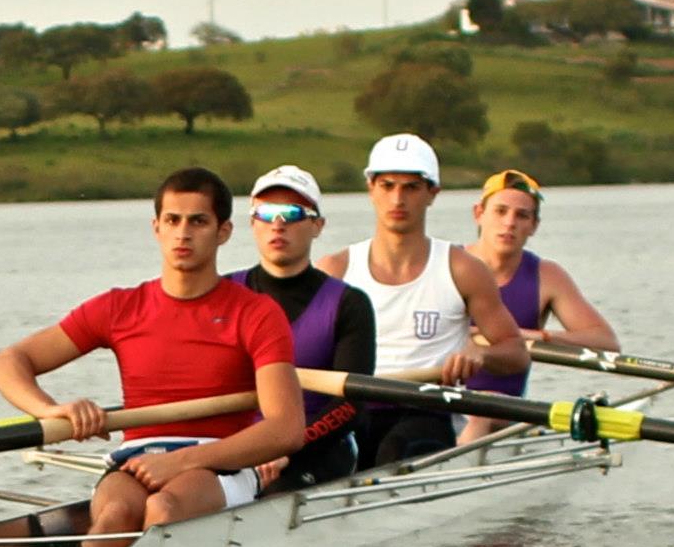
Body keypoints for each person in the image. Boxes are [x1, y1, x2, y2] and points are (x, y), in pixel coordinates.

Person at [0, 166, 304, 547]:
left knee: (164, 508)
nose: (182, 234)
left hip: (223, 462)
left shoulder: (256, 313)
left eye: (198, 222)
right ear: (156, 228)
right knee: (116, 514)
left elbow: (286, 429)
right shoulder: (119, 308)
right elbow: (6, 363)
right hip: (137, 458)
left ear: (223, 232)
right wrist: (51, 409)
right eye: (172, 220)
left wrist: (182, 461)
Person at [316, 133, 526, 466]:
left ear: (432, 193)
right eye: (387, 186)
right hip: (354, 409)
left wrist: (481, 354)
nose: (397, 199)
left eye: (411, 188)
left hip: (428, 409)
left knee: (395, 452)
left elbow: (516, 352)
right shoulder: (335, 269)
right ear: (371, 189)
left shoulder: (463, 269)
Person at [226, 163, 377, 492]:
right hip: (231, 446)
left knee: (275, 491)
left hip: (316, 447)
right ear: (252, 223)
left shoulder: (349, 304)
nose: (278, 225)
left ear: (317, 226)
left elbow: (351, 405)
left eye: (293, 213)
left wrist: (286, 446)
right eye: (267, 213)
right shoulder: (221, 296)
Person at [459, 167, 621, 442]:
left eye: (522, 215)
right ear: (479, 214)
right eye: (500, 211)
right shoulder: (447, 264)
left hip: (500, 410)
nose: (509, 223)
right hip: (437, 398)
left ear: (534, 226)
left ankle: (455, 457)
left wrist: (535, 336)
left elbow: (606, 343)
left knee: (479, 413)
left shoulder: (546, 276)